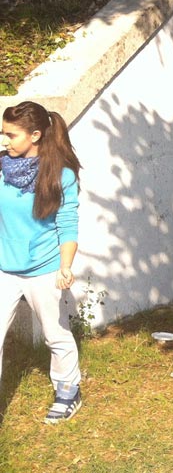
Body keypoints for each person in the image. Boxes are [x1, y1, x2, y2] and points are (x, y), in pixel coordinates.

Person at [0, 101, 83, 423]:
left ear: (35, 135)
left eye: (11, 135)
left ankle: (68, 392)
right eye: (3, 134)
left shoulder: (60, 175)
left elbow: (68, 223)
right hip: (5, 269)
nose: (5, 142)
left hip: (43, 269)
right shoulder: (1, 169)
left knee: (55, 334)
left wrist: (65, 266)